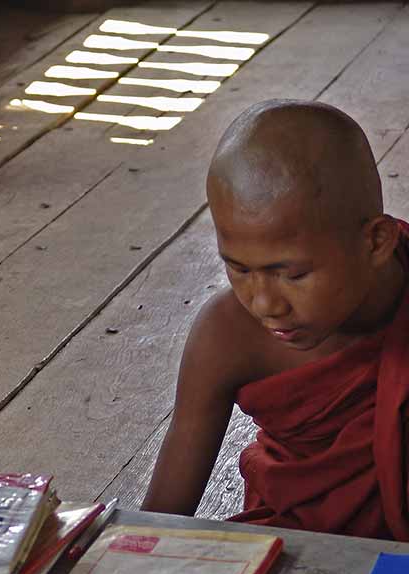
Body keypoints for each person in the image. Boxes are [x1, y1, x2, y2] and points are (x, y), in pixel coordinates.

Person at [142, 99, 409, 539]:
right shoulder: (227, 335)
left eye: (292, 274)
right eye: (240, 269)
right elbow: (160, 519)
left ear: (377, 242)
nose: (265, 303)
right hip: (296, 544)